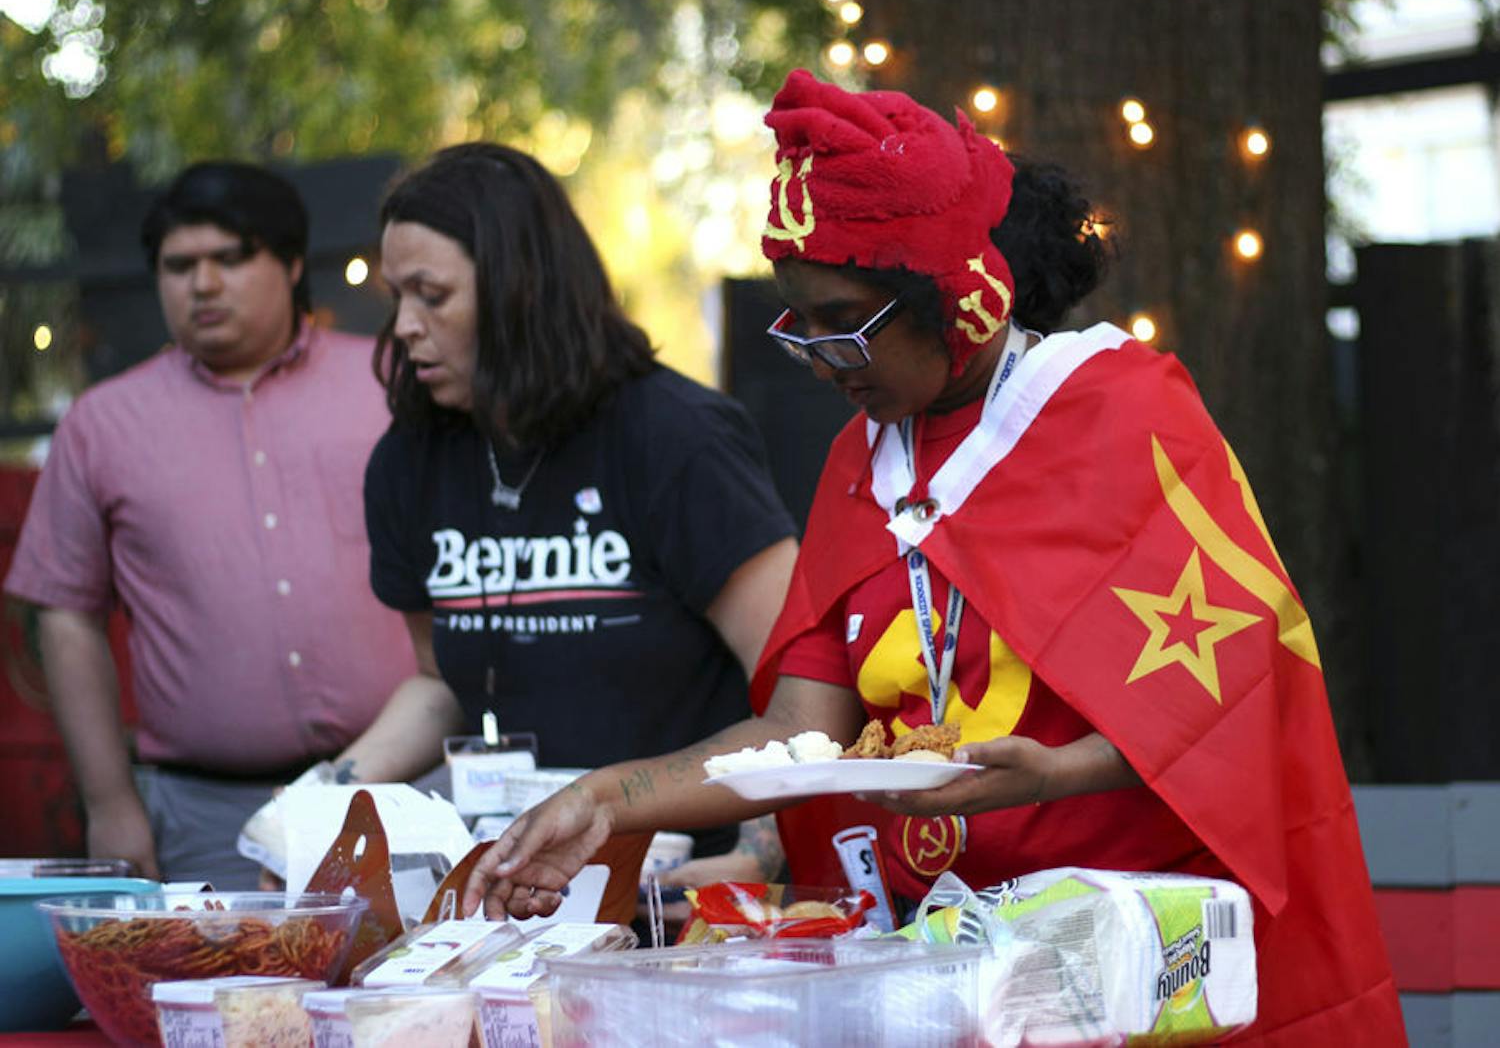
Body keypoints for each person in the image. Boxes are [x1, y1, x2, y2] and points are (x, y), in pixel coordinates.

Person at [462, 70, 1405, 1044]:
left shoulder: (1125, 414)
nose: (824, 358)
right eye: (801, 325)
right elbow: (799, 733)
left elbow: (1239, 691)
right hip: (946, 968)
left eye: (847, 322)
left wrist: (1053, 774)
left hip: (1141, 969)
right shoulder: (855, 463)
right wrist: (606, 799)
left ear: (956, 298)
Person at [328, 143, 799, 913]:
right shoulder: (411, 462)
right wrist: (315, 806)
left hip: (685, 889)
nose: (405, 327)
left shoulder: (677, 438)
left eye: (433, 295)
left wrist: (753, 854)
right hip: (522, 889)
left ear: (522, 292)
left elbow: (797, 693)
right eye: (396, 296)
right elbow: (439, 682)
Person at [3, 162, 415, 888]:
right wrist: (110, 802)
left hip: (401, 792)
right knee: (224, 1002)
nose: (203, 284)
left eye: (230, 258)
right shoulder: (103, 424)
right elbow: (65, 615)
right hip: (204, 819)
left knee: (417, 999)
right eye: (179, 265)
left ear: (291, 263)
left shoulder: (389, 385)